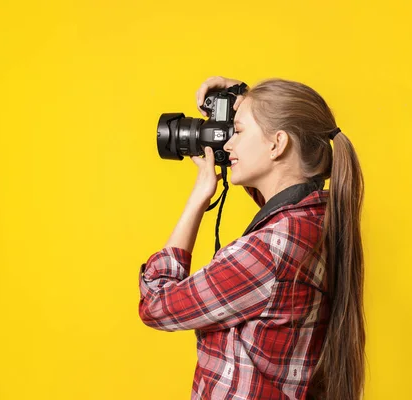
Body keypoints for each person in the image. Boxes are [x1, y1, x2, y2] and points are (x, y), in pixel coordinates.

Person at [138, 76, 366, 400]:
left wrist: (199, 197)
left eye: (239, 131)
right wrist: (242, 100)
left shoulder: (267, 251)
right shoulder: (316, 221)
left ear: (277, 144)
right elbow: (278, 200)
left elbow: (155, 304)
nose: (227, 143)